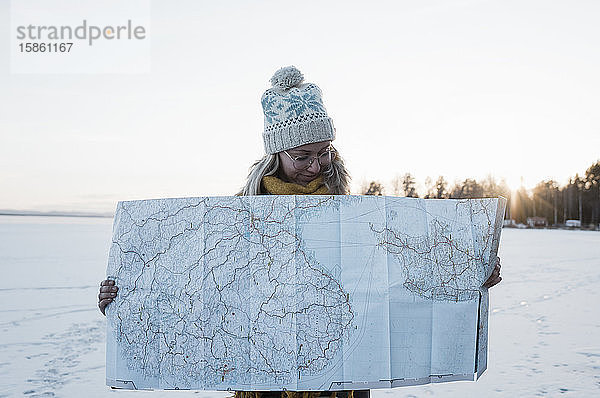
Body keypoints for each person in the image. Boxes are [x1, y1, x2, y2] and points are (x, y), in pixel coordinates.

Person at [98, 66, 502, 398]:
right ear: (277, 155)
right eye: (303, 156)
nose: (316, 165)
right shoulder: (236, 217)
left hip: (341, 382)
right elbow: (198, 288)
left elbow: (393, 283)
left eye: (325, 152)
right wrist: (128, 296)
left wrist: (467, 273)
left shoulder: (354, 215)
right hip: (260, 382)